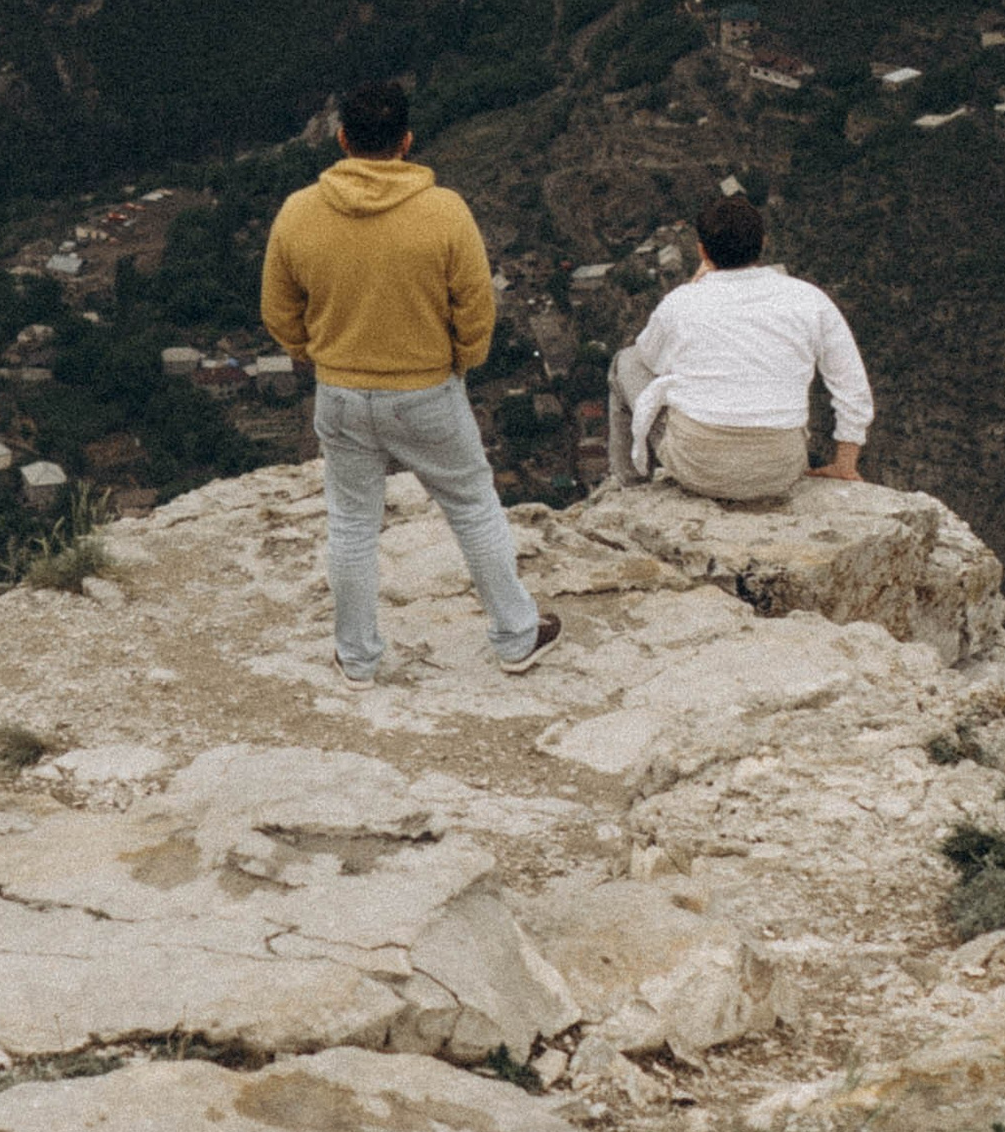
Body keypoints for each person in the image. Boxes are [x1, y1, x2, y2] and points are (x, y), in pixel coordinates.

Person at [259, 81, 561, 684]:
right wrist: (460, 362)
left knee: (350, 523)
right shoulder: (444, 210)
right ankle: (515, 637)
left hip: (341, 392)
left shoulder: (299, 211)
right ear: (407, 141)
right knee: (473, 508)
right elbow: (477, 307)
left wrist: (319, 355)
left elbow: (278, 310)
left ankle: (358, 658)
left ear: (342, 139)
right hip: (426, 389)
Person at [607, 193, 873, 505]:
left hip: (698, 468)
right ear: (763, 243)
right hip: (780, 470)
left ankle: (633, 489)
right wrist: (844, 464)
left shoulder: (681, 302)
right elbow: (852, 385)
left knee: (623, 362)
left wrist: (695, 290)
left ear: (702, 250)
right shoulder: (809, 298)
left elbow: (648, 361)